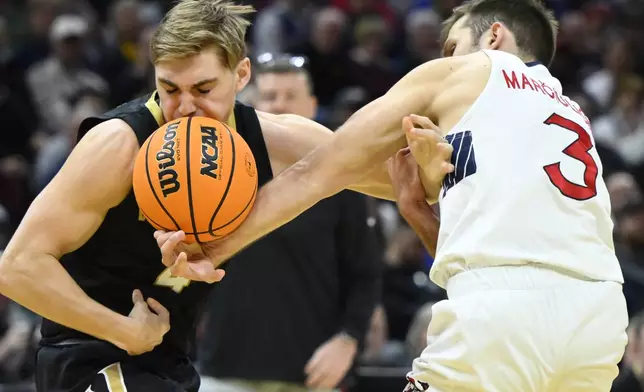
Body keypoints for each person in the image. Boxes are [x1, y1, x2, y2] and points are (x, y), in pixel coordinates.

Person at [158, 0, 628, 390]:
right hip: (600, 321)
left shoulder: (467, 72)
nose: (444, 57)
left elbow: (318, 171)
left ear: (493, 37)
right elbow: (470, 260)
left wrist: (212, 248)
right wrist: (415, 208)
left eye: (452, 46)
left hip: (502, 317)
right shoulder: (569, 115)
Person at [0, 1, 409, 391]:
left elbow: (393, 179)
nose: (185, 107)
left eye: (203, 88)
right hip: (90, 358)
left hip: (169, 359)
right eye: (169, 88)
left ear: (242, 74)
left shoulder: (270, 138)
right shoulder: (119, 145)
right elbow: (16, 267)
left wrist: (428, 158)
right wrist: (121, 329)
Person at [198, 55, 382, 392]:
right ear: (250, 108)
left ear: (312, 106)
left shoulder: (344, 182)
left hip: (311, 374)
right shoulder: (214, 171)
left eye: (290, 96)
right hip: (221, 369)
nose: (280, 105)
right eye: (269, 97)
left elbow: (365, 273)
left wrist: (348, 339)